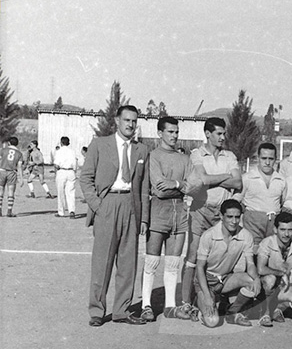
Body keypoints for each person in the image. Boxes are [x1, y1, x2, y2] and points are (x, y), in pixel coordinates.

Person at [79, 105, 150, 326]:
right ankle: (97, 311)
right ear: (117, 121)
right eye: (126, 120)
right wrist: (98, 206)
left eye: (134, 121)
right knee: (102, 262)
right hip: (107, 203)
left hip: (131, 205)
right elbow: (85, 179)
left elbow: (145, 186)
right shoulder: (100, 145)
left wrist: (144, 218)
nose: (130, 124)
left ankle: (121, 310)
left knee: (128, 263)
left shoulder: (142, 150)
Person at [178, 117, 242, 320]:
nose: (223, 137)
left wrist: (214, 180)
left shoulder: (229, 155)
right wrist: (226, 177)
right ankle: (185, 303)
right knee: (193, 257)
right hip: (200, 210)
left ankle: (212, 298)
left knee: (220, 257)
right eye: (219, 134)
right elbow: (202, 179)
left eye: (224, 134)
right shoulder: (197, 154)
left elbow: (238, 182)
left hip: (220, 214)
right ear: (207, 134)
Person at [139, 117, 194, 322]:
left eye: (176, 132)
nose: (174, 136)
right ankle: (146, 305)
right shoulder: (153, 156)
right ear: (160, 133)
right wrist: (180, 185)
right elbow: (159, 189)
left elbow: (192, 186)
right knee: (152, 261)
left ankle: (170, 306)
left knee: (173, 262)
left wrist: (176, 184)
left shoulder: (185, 159)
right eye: (170, 132)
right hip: (158, 212)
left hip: (180, 213)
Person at [195, 199, 260, 327]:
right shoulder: (209, 235)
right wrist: (207, 296)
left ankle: (232, 311)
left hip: (225, 279)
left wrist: (257, 278)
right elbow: (200, 267)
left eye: (237, 217)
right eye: (229, 217)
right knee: (213, 322)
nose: (234, 221)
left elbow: (250, 264)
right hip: (207, 281)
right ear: (221, 216)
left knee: (252, 282)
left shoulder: (246, 235)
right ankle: (199, 301)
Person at [256, 211, 292, 326]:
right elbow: (260, 269)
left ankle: (278, 308)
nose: (286, 234)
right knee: (270, 279)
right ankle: (265, 312)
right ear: (275, 229)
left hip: (282, 288)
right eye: (282, 229)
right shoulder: (267, 243)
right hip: (264, 287)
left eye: (290, 230)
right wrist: (281, 273)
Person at [237, 142, 287, 251]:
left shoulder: (281, 180)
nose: (267, 162)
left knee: (271, 253)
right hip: (253, 222)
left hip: (273, 223)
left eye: (271, 158)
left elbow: (282, 202)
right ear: (258, 158)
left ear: (276, 159)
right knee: (253, 252)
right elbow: (236, 201)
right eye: (264, 158)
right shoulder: (247, 178)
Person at [52, 136, 80, 218]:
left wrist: (56, 172)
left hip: (62, 171)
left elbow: (56, 164)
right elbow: (75, 162)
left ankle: (61, 211)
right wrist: (74, 170)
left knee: (61, 192)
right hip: (71, 171)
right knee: (71, 192)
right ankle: (72, 210)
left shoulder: (59, 151)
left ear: (61, 143)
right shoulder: (72, 151)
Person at [0, 136, 26, 217]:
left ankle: (0, 210)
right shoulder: (19, 153)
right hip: (12, 172)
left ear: (9, 143)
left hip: (2, 171)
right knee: (11, 191)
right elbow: (19, 167)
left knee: (1, 191)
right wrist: (21, 178)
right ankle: (9, 211)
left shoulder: (3, 150)